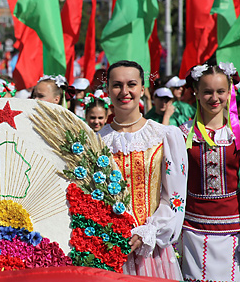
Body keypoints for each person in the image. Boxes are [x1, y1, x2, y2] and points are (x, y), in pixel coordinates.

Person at [98, 60, 188, 279]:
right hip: (108, 247)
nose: (124, 91)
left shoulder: (165, 135)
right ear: (108, 89)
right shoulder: (97, 140)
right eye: (117, 85)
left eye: (131, 84)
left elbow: (175, 197)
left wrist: (150, 231)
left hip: (152, 248)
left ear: (142, 89)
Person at [179, 63, 240, 280]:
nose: (214, 98)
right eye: (207, 91)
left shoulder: (237, 132)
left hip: (233, 229)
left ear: (229, 92)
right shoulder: (182, 134)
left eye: (220, 91)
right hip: (192, 229)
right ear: (196, 92)